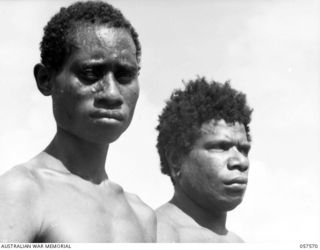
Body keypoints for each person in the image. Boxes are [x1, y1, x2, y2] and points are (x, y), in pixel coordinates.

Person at [0, 1, 156, 243]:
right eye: (91, 73)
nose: (112, 94)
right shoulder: (23, 192)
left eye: (125, 75)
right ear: (45, 80)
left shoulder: (141, 216)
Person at [155, 77, 253, 242]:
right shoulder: (152, 234)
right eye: (221, 147)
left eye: (244, 150)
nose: (240, 162)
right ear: (176, 160)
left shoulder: (238, 242)